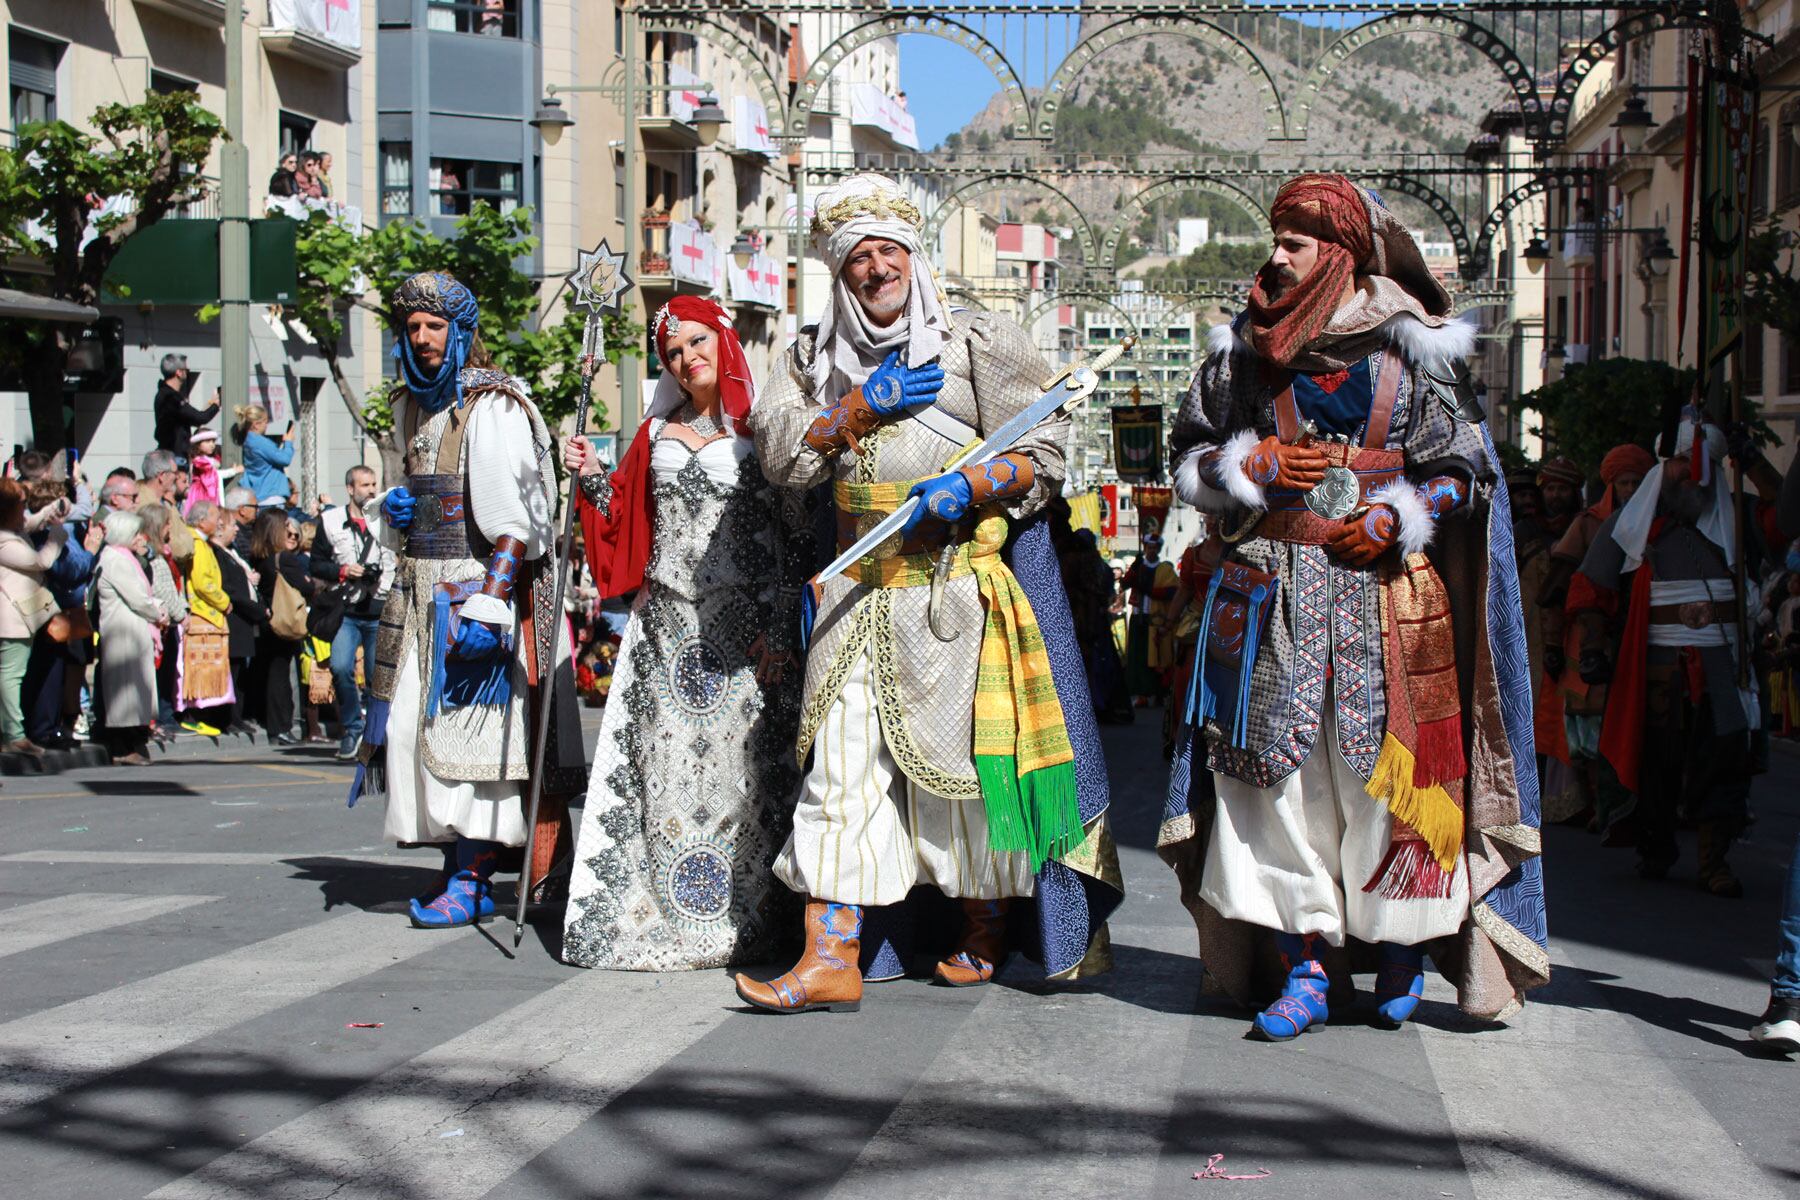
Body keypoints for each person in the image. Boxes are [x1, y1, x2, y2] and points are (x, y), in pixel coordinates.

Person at [1160, 173, 1547, 1040]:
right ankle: (1304, 965)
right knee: (1276, 787)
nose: (1276, 256)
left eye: (1294, 242)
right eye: (1275, 238)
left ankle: (1404, 953)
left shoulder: (1415, 348)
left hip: (1389, 601)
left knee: (1395, 783)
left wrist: (1396, 513)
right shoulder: (1241, 354)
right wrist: (1250, 469)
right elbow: (1188, 457)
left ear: (1339, 253)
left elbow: (1464, 472)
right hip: (1271, 597)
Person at [737, 173, 1120, 1014]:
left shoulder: (979, 338)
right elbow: (783, 463)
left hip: (955, 592)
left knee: (963, 778)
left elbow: (1048, 454)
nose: (875, 269)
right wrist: (854, 413)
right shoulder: (808, 360)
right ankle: (829, 957)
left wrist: (983, 481)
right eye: (858, 259)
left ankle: (983, 927)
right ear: (840, 274)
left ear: (913, 256)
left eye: (887, 252)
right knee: (837, 773)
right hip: (854, 595)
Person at [560, 296, 810, 971]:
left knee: (743, 780)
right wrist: (586, 473)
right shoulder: (654, 435)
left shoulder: (765, 429)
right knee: (664, 770)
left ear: (722, 342)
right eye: (672, 352)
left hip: (745, 633)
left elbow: (793, 537)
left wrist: (781, 630)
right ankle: (668, 914)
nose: (685, 358)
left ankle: (747, 920)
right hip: (667, 627)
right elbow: (620, 519)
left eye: (696, 342)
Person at [357, 271, 583, 929]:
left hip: (472, 591)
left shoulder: (495, 404)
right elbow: (408, 485)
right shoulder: (408, 405)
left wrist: (492, 602)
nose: (422, 338)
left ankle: (472, 875)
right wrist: (394, 507)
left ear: (460, 332)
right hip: (415, 587)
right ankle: (459, 864)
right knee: (408, 730)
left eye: (435, 326)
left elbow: (519, 518)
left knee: (474, 744)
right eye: (412, 327)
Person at [1571, 414, 1752, 897]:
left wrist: (1753, 463)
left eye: (1702, 465)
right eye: (1680, 464)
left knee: (1723, 763)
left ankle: (1715, 860)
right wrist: (1592, 645)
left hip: (1721, 669)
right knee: (1657, 766)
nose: (1690, 475)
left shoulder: (1737, 520)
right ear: (1663, 468)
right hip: (1656, 670)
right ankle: (1656, 843)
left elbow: (1787, 522)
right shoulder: (1633, 527)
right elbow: (1590, 587)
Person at [1539, 444, 1655, 830]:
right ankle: (1596, 803)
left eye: (1638, 482)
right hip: (1593, 638)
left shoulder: (1659, 522)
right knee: (1590, 728)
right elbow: (1556, 591)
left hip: (1643, 633)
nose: (1630, 490)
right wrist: (1554, 644)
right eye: (1623, 482)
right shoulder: (1591, 524)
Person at [312, 465, 394, 760]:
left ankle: (375, 735)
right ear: (350, 489)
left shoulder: (386, 518)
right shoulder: (330, 521)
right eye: (364, 485)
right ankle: (351, 729)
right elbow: (316, 565)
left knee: (376, 677)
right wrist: (344, 570)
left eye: (374, 484)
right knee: (341, 667)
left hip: (378, 607)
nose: (371, 490)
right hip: (346, 609)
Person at [0, 479, 68, 755]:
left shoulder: (9, 530)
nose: (25, 510)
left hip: (19, 615)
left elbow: (29, 524)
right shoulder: (4, 541)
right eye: (21, 505)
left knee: (13, 675)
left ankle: (12, 733)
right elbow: (39, 561)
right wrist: (57, 537)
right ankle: (13, 736)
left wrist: (51, 510)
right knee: (11, 676)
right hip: (11, 618)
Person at [95, 511, 167, 765]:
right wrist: (158, 611)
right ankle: (122, 747)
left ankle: (129, 743)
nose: (141, 537)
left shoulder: (126, 558)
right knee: (123, 693)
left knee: (133, 691)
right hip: (123, 631)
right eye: (136, 533)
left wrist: (157, 608)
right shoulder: (116, 559)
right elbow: (137, 598)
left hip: (133, 630)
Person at [248, 511, 314, 745]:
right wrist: (309, 582)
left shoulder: (259, 558)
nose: (290, 531)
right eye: (285, 526)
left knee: (270, 673)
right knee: (281, 676)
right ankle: (281, 727)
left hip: (267, 621)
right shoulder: (283, 559)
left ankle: (276, 725)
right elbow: (306, 587)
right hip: (283, 622)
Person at [136, 503, 189, 742]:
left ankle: (165, 715)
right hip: (162, 621)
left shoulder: (163, 553)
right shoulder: (154, 557)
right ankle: (161, 716)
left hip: (169, 621)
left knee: (168, 672)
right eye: (167, 523)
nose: (170, 527)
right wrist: (181, 614)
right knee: (161, 672)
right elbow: (164, 591)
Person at [180, 500, 233, 736]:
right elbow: (203, 583)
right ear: (202, 520)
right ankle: (195, 714)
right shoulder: (197, 544)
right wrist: (224, 602)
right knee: (199, 669)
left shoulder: (203, 543)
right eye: (215, 516)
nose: (220, 521)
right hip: (203, 613)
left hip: (207, 612)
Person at [212, 504, 266, 735]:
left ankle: (237, 716)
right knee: (231, 674)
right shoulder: (216, 553)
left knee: (240, 675)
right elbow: (230, 589)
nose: (236, 530)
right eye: (233, 525)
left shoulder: (231, 552)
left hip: (244, 622)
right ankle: (228, 718)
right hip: (234, 619)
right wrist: (256, 610)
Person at [1122, 533, 1176, 706]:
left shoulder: (1165, 569)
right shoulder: (1139, 567)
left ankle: (1159, 693)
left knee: (1157, 658)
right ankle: (1142, 695)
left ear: (1159, 549)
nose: (1151, 550)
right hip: (1138, 616)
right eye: (1149, 547)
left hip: (1155, 619)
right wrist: (1133, 570)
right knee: (1138, 658)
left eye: (1154, 547)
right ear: (1145, 548)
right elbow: (1125, 584)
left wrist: (1150, 590)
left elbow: (1172, 591)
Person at [153, 356, 218, 455]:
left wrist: (211, 404)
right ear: (179, 372)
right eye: (186, 370)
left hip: (170, 453)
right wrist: (216, 405)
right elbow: (200, 418)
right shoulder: (172, 398)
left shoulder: (164, 394)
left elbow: (194, 418)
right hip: (176, 454)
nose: (187, 372)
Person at [231, 406, 295, 506]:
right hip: (271, 495)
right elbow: (285, 459)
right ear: (256, 424)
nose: (266, 425)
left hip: (259, 494)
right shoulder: (260, 443)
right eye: (265, 422)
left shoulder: (248, 440)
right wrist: (288, 442)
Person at [184, 428, 239, 517]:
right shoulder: (199, 461)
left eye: (213, 441)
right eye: (207, 441)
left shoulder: (211, 460)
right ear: (198, 444)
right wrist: (234, 471)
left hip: (209, 491)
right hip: (202, 493)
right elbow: (213, 475)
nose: (212, 445)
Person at [1536, 456, 1584, 541]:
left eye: (1563, 489)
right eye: (1550, 488)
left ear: (1574, 493)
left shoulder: (1585, 526)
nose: (1555, 495)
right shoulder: (1527, 528)